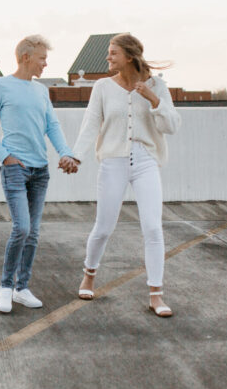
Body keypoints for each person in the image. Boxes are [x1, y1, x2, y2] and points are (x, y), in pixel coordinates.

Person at [69, 33, 180, 316]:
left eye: (113, 53)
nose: (108, 57)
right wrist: (76, 156)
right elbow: (90, 125)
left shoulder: (157, 86)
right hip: (113, 161)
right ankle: (89, 275)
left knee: (153, 228)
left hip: (146, 161)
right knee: (104, 227)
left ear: (129, 57)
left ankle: (156, 295)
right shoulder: (103, 87)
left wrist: (154, 99)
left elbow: (172, 126)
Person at [0, 35, 79, 314]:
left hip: (40, 171)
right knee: (21, 228)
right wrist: (5, 156)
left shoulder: (41, 91)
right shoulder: (0, 86)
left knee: (33, 233)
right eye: (42, 58)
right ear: (26, 57)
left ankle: (22, 288)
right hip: (15, 169)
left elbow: (52, 126)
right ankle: (5, 288)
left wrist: (65, 153)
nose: (45, 64)